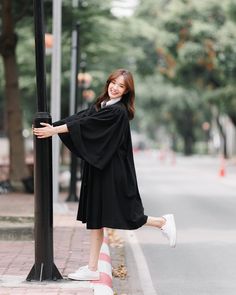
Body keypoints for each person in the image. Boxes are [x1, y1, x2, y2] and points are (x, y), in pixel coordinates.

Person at [33, 68, 176, 281]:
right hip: (99, 167)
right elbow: (80, 117)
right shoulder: (102, 105)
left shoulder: (117, 111)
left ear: (127, 91)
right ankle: (92, 268)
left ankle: (162, 222)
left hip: (112, 171)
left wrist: (54, 131)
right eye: (114, 83)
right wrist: (51, 125)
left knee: (127, 214)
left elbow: (85, 125)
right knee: (96, 217)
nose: (115, 88)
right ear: (108, 82)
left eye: (121, 86)